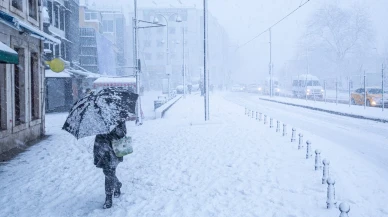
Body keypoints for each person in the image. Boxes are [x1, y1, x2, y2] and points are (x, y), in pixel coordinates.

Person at [93, 121, 127, 209]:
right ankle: (117, 184)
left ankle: (108, 197)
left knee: (109, 173)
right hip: (102, 150)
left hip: (114, 150)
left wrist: (112, 132)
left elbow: (122, 133)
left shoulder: (118, 116)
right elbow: (97, 134)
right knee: (107, 172)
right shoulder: (98, 116)